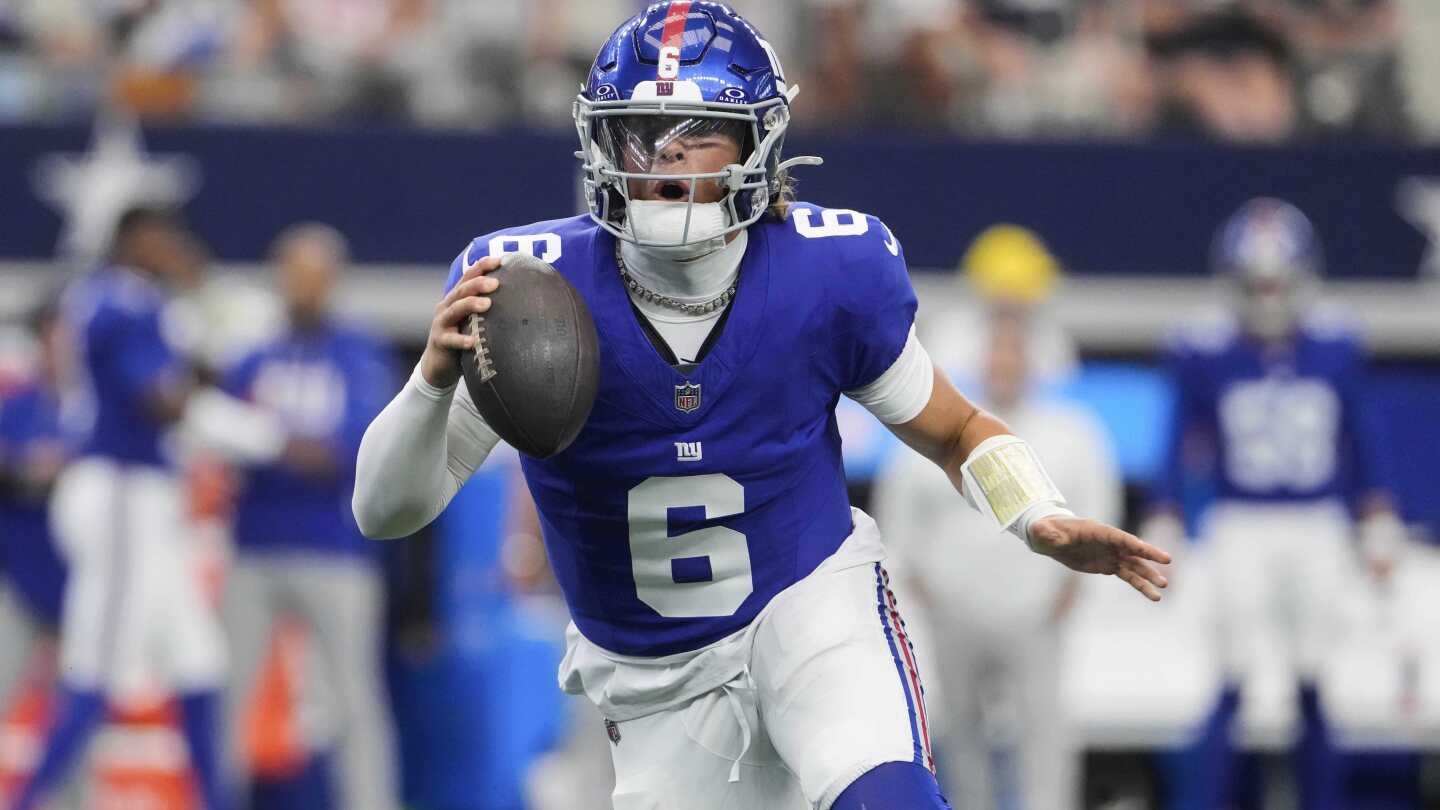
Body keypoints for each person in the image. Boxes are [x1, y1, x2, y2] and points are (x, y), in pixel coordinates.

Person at [353, 4, 1169, 808]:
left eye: (695, 132)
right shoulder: (529, 294)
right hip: (656, 679)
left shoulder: (830, 271)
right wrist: (431, 381)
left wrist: (1036, 513)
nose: (663, 158)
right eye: (640, 132)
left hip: (810, 605)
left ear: (759, 143)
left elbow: (955, 430)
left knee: (886, 797)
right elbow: (384, 511)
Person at [9, 207, 288, 810]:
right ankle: (23, 801)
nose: (173, 250)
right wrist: (262, 436)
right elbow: (161, 401)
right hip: (120, 492)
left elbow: (178, 385)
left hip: (147, 499)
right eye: (162, 239)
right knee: (97, 669)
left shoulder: (128, 302)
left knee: (197, 660)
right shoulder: (123, 300)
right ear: (132, 240)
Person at [1145, 198, 1405, 810]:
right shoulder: (1205, 349)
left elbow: (1358, 433)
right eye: (1255, 285)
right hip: (1241, 521)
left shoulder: (1335, 344)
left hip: (1317, 521)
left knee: (1314, 681)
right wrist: (1166, 510)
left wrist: (1377, 510)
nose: (1266, 299)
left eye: (1276, 284)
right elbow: (1181, 436)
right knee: (1232, 678)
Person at [875, 311, 1121, 810]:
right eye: (997, 354)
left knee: (1043, 730)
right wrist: (917, 580)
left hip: (1036, 612)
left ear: (1032, 362)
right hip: (954, 609)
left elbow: (1098, 506)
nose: (1005, 365)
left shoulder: (1069, 432)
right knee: (959, 731)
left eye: (1014, 354)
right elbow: (899, 506)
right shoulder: (944, 426)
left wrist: (1077, 587)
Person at [220, 223, 398, 810]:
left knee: (352, 698)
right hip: (255, 544)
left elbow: (357, 449)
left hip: (334, 547)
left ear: (332, 280)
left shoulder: (358, 351)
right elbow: (218, 432)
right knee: (231, 694)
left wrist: (271, 443)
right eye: (292, 274)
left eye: (311, 275)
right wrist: (275, 446)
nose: (301, 287)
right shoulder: (254, 354)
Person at [0, 304, 70, 707]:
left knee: (76, 704)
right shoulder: (19, 405)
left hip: (82, 578)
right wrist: (24, 468)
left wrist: (68, 468)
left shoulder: (102, 409)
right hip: (20, 570)